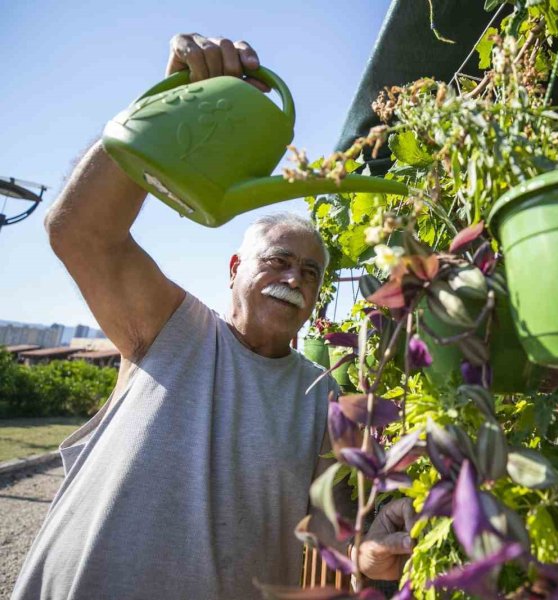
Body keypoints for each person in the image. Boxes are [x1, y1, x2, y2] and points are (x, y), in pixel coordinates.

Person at [12, 33, 411, 600]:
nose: (295, 278)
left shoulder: (322, 398)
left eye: (311, 272)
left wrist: (369, 555)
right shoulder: (173, 328)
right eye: (278, 261)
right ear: (233, 268)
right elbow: (79, 231)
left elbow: (328, 534)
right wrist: (166, 107)